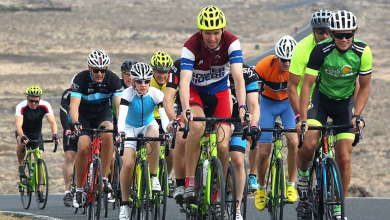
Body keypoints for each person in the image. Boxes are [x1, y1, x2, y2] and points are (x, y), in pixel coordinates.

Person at [296, 10, 371, 220]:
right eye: (339, 35)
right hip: (321, 101)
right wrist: (302, 118)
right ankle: (302, 175)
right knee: (309, 143)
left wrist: (357, 115)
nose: (344, 39)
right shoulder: (321, 50)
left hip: (345, 104)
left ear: (354, 34)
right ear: (332, 34)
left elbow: (364, 87)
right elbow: (307, 85)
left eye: (348, 34)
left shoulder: (363, 52)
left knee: (344, 157)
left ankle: (339, 206)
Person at [179, 5, 248, 210]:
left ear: (222, 31)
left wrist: (242, 106)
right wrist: (185, 108)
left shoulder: (232, 42)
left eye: (216, 33)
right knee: (197, 127)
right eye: (207, 33)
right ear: (201, 32)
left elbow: (238, 78)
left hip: (220, 93)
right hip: (196, 93)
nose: (211, 38)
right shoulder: (190, 45)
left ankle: (218, 190)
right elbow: (184, 82)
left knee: (224, 144)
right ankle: (190, 181)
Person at [70, 50, 123, 208]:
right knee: (84, 146)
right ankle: (79, 189)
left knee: (108, 134)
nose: (100, 73)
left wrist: (120, 126)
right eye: (96, 70)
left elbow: (119, 106)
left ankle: (104, 178)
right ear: (89, 68)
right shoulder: (80, 79)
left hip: (102, 113)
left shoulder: (113, 79)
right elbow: (73, 106)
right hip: (84, 115)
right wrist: (76, 122)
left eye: (103, 70)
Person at [116, 62, 169, 220]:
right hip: (129, 127)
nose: (143, 84)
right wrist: (120, 133)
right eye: (139, 81)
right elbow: (122, 116)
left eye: (146, 81)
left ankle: (153, 176)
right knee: (128, 165)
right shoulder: (127, 94)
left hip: (148, 124)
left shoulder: (156, 94)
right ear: (133, 81)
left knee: (155, 134)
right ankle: (124, 204)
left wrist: (167, 132)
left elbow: (164, 117)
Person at [253, 35, 298, 211]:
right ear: (276, 57)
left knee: (294, 141)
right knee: (263, 152)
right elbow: (253, 93)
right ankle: (262, 188)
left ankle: (291, 184)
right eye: (284, 60)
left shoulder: (297, 66)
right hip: (267, 104)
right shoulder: (264, 66)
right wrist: (253, 115)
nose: (287, 64)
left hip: (288, 104)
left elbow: (302, 90)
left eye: (290, 60)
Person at [15, 85, 59, 202]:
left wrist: (54, 134)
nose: (33, 103)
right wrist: (22, 136)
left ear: (39, 99)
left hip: (36, 134)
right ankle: (20, 165)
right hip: (23, 131)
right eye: (31, 100)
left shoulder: (45, 105)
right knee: (20, 142)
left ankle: (39, 190)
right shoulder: (21, 106)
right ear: (27, 98)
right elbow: (18, 125)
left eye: (36, 101)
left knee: (39, 159)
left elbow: (52, 122)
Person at [229, 64, 260, 220]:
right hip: (215, 119)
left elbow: (254, 105)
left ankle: (237, 207)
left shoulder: (248, 73)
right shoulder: (211, 69)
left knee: (238, 162)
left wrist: (253, 123)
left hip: (238, 121)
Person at [287, 9, 333, 116]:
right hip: (307, 99)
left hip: (330, 96)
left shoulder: (339, 45)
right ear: (313, 31)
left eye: (328, 31)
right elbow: (292, 86)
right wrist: (300, 116)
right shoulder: (301, 48)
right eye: (321, 31)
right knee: (310, 131)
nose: (325, 35)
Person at [150, 51, 176, 196]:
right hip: (150, 118)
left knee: (171, 149)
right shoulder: (146, 82)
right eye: (159, 72)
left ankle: (168, 176)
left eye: (165, 72)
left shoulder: (173, 83)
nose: (162, 75)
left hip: (167, 118)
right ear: (153, 70)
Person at [60, 77, 79, 207]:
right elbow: (63, 111)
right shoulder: (68, 93)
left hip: (85, 125)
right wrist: (67, 129)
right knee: (69, 156)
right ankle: (67, 191)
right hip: (71, 126)